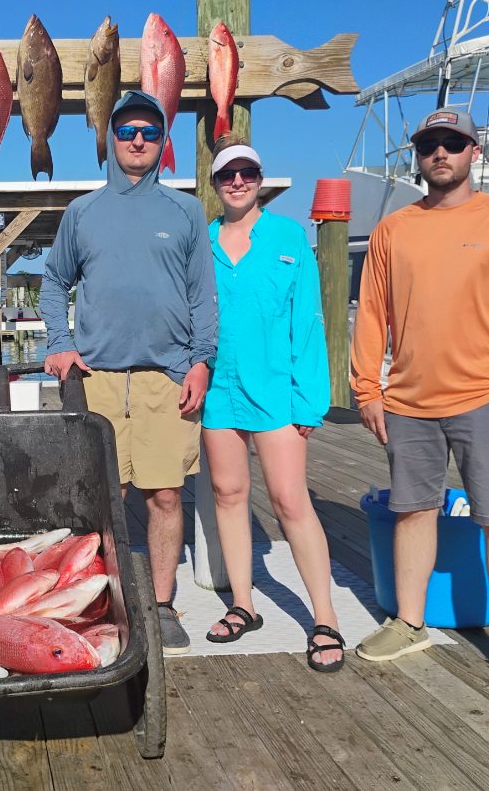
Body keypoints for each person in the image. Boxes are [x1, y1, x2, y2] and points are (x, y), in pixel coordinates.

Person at [351, 108, 489, 699]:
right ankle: (409, 623)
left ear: (474, 151)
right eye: (428, 145)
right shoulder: (393, 230)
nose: (439, 153)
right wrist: (367, 389)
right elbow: (371, 314)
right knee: (412, 511)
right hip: (409, 403)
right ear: (419, 157)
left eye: (451, 142)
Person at [41, 91, 218, 655]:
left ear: (163, 141)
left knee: (165, 496)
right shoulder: (82, 212)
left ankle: (162, 605)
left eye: (149, 131)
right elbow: (53, 282)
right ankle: (101, 604)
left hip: (166, 378)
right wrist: (61, 344)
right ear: (111, 139)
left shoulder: (186, 211)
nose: (137, 140)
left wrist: (201, 361)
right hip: (98, 377)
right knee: (104, 497)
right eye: (126, 131)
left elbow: (202, 295)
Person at [198, 140, 344, 672]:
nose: (237, 181)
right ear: (215, 184)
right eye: (227, 174)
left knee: (289, 500)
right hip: (219, 390)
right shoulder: (203, 241)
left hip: (278, 392)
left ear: (260, 179)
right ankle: (244, 603)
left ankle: (324, 617)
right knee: (227, 493)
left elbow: (308, 320)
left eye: (247, 172)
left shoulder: (289, 236)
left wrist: (310, 401)